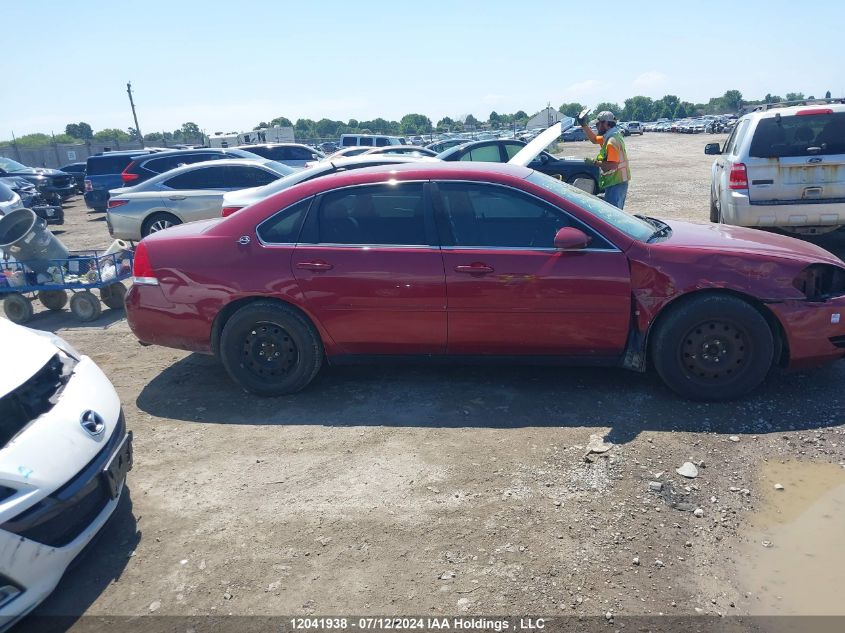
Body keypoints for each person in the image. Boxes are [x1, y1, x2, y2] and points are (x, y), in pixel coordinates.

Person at [579, 110, 631, 209]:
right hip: (618, 180)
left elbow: (612, 166)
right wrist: (584, 125)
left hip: (616, 182)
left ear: (606, 123)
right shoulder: (612, 135)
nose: (597, 126)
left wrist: (594, 162)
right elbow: (594, 139)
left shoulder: (611, 141)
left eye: (598, 124)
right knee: (616, 213)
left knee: (613, 215)